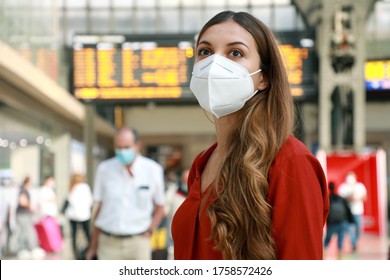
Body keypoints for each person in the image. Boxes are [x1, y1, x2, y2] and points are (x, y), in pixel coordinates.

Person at [171, 11, 329, 260]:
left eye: (235, 53)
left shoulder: (290, 161)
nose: (214, 64)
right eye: (205, 51)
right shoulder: (202, 163)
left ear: (263, 78)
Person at [86, 127, 165, 260]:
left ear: (137, 145)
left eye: (127, 147)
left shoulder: (152, 170)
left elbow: (160, 207)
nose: (122, 151)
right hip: (108, 243)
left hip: (139, 243)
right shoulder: (104, 169)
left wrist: (150, 231)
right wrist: (93, 246)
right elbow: (98, 208)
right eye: (119, 147)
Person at [14, 176, 45, 259]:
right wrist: (31, 208)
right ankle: (29, 248)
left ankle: (25, 249)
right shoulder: (23, 190)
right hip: (23, 214)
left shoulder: (24, 190)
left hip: (24, 214)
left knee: (24, 231)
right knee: (27, 230)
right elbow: (22, 201)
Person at [64, 173, 93, 259]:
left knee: (74, 235)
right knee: (87, 233)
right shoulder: (85, 187)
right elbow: (90, 201)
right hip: (84, 215)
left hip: (73, 215)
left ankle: (75, 254)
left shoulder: (72, 188)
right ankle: (90, 251)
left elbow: (69, 201)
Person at [338, 171, 367, 252]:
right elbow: (341, 198)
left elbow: (365, 197)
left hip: (358, 211)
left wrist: (357, 198)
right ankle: (353, 243)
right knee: (350, 229)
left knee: (358, 228)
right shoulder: (343, 187)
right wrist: (350, 198)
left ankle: (355, 241)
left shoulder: (360, 186)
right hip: (348, 212)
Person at [323, 182, 354, 259]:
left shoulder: (328, 198)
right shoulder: (341, 198)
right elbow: (348, 210)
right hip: (342, 222)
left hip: (332, 224)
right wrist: (350, 221)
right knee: (340, 243)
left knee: (326, 242)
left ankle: (324, 257)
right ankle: (339, 259)